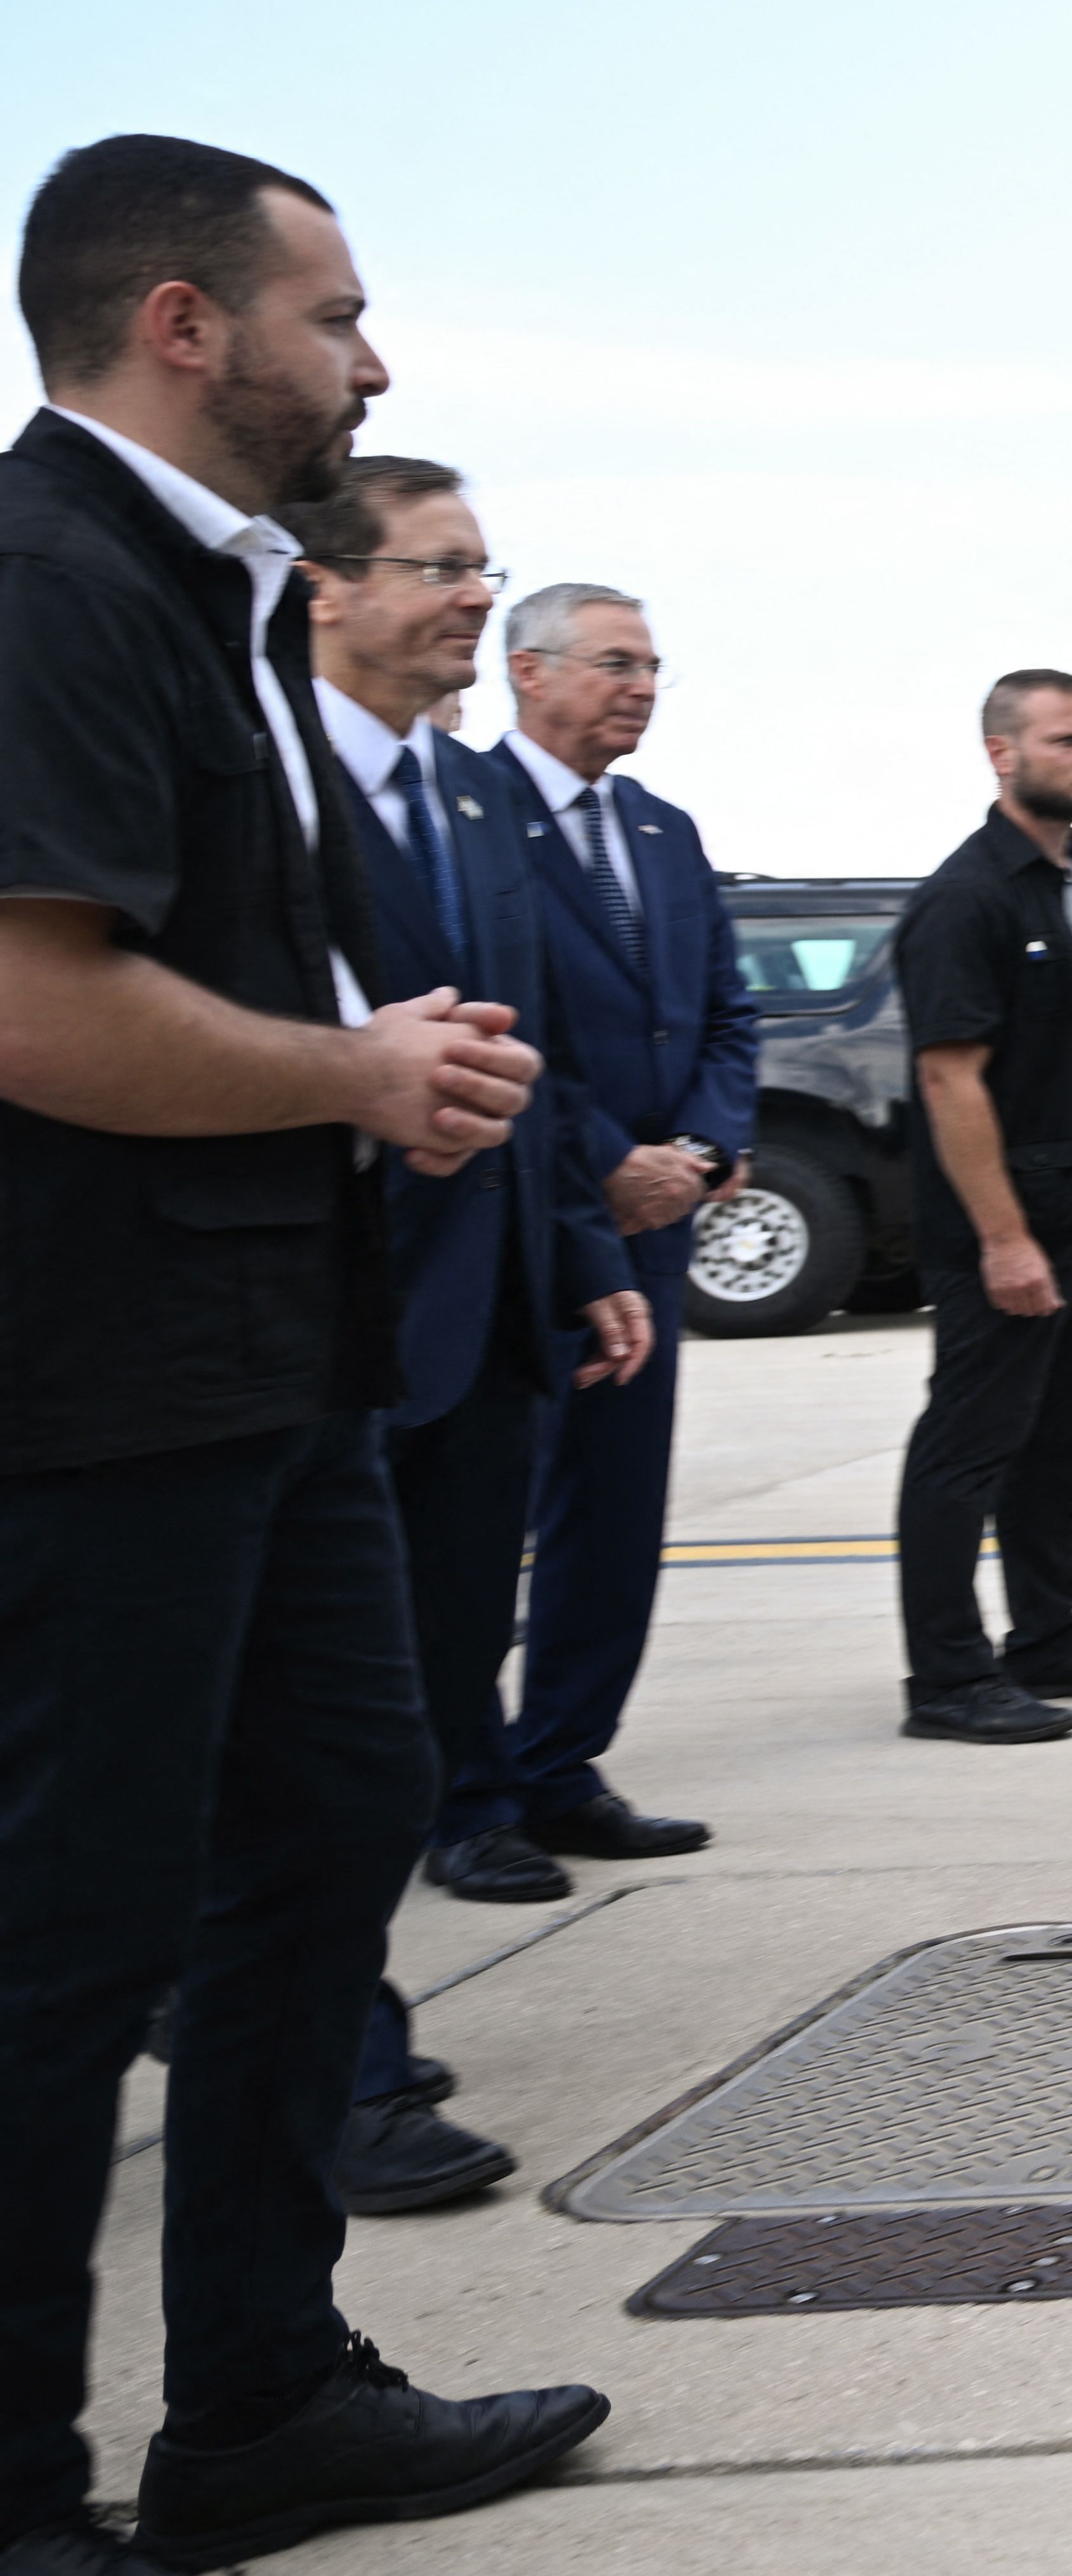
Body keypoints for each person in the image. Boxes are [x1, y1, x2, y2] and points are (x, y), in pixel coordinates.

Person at [0, 134, 607, 2569]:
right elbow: (35, 999)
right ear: (181, 323)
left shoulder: (227, 597)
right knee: (70, 1929)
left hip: (277, 1360)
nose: (372, 359)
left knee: (340, 1815)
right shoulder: (56, 578)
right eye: (335, 315)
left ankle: (258, 2393)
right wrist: (355, 1078)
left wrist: (381, 1056)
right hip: (105, 1374)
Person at [282, 459, 655, 2226]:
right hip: (324, 1314)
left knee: (422, 1673)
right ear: (325, 591)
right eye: (437, 570)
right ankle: (326, 2050)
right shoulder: (272, 785)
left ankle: (330, 2003)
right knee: (315, 1735)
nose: (463, 597)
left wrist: (581, 1253)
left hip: (493, 1296)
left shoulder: (484, 812)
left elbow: (542, 1064)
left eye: (480, 568)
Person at [483, 577, 753, 1877]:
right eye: (614, 662)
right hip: (521, 1224)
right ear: (527, 673)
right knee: (481, 1525)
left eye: (651, 667)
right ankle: (464, 1796)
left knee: (617, 1508)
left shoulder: (665, 830)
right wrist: (609, 1163)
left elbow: (725, 1014)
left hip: (651, 1231)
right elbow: (501, 1026)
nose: (640, 686)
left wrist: (696, 1155)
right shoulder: (467, 819)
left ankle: (561, 1762)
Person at [887, 670, 1072, 1747]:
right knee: (967, 1448)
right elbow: (949, 1079)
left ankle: (1050, 1633)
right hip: (1013, 1226)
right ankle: (947, 1676)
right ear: (1001, 754)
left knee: (1057, 1441)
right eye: (1067, 738)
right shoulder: (969, 897)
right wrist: (1005, 1237)